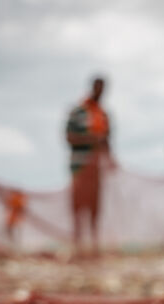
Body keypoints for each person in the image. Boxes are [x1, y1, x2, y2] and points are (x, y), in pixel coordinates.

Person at [65, 76, 114, 255]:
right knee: (78, 205)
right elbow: (69, 138)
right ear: (93, 87)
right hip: (79, 165)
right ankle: (77, 244)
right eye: (98, 87)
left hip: (96, 168)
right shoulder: (78, 112)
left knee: (95, 204)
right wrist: (92, 139)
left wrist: (110, 159)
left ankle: (94, 244)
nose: (100, 91)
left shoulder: (104, 115)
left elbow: (108, 141)